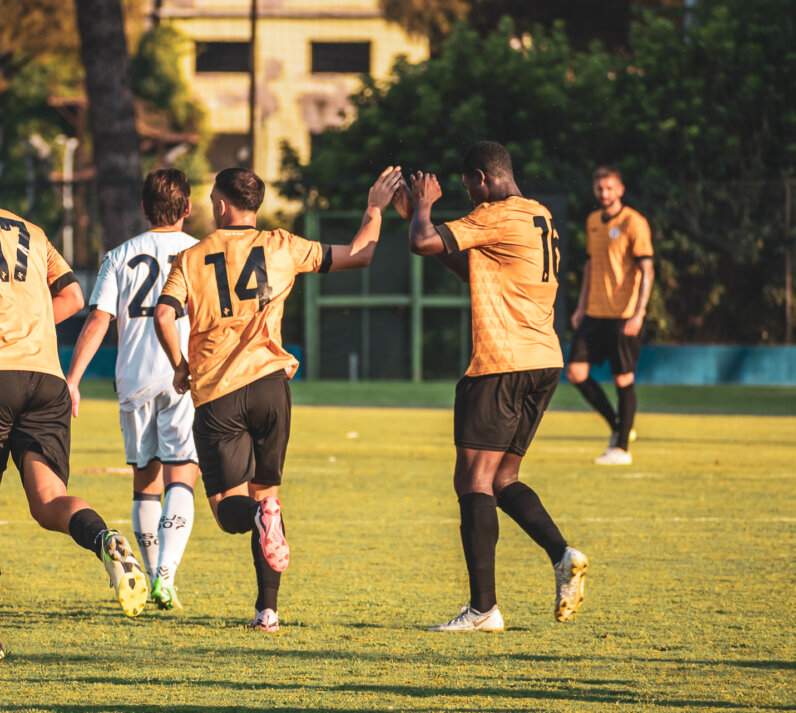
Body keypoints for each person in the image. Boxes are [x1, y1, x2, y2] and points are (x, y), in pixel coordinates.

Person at [0, 134, 149, 664]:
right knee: (47, 500)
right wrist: (26, 324)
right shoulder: (31, 230)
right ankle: (104, 538)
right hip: (45, 377)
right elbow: (74, 295)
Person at [154, 166, 404, 632]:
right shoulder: (283, 245)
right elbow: (359, 255)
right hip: (272, 386)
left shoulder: (191, 258)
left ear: (224, 205)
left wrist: (179, 366)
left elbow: (164, 315)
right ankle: (267, 611)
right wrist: (375, 206)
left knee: (231, 512)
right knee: (269, 496)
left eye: (212, 199)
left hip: (219, 393)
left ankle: (257, 519)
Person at [401, 141, 587, 632]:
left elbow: (422, 242)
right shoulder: (537, 214)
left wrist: (422, 207)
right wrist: (417, 218)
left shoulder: (496, 213)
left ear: (483, 178)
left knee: (472, 481)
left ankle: (483, 610)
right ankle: (562, 553)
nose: (471, 199)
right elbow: (472, 270)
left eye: (469, 189)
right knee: (502, 479)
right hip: (543, 361)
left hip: (501, 363)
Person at [65, 167, 200, 611]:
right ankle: (166, 577)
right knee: (183, 471)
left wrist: (73, 379)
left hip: (134, 379)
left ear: (143, 209)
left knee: (146, 482)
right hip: (183, 374)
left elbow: (99, 319)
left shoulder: (119, 255)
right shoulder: (202, 253)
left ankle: (146, 572)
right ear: (188, 209)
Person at [567, 165, 654, 465]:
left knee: (623, 379)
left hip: (623, 314)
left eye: (609, 188)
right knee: (575, 373)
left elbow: (647, 270)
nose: (603, 194)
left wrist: (638, 313)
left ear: (620, 190)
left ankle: (621, 450)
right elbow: (591, 266)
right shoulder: (592, 221)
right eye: (599, 188)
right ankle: (620, 427)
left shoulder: (634, 222)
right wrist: (580, 307)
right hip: (594, 312)